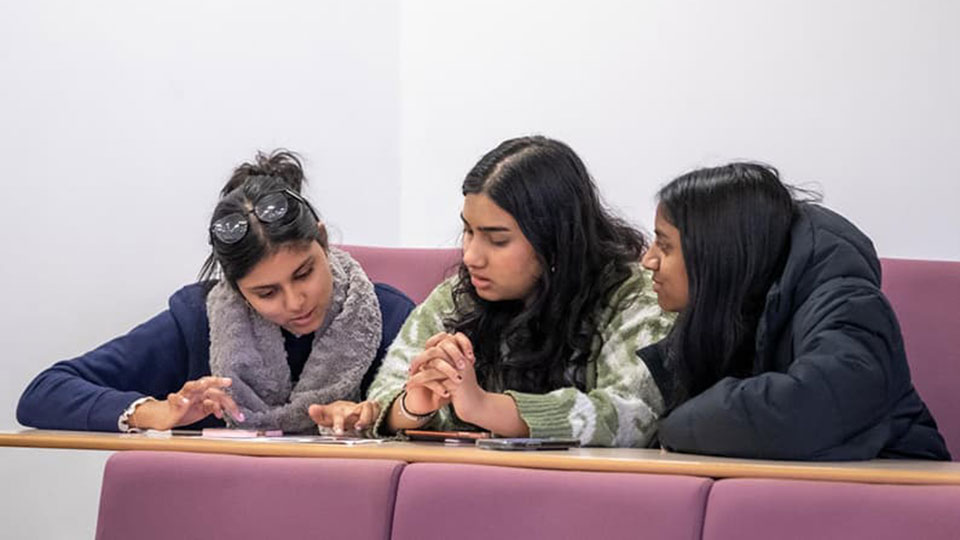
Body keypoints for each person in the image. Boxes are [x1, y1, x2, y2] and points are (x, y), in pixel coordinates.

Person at [309, 136, 674, 446]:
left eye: (497, 240)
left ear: (557, 241)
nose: (471, 256)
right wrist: (412, 407)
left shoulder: (634, 296)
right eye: (468, 231)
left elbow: (633, 415)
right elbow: (388, 391)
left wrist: (485, 408)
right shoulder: (459, 296)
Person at [17, 150, 414, 433]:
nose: (295, 302)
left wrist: (380, 416)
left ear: (323, 241)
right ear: (237, 289)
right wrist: (153, 412)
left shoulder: (388, 316)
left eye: (305, 273)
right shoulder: (198, 320)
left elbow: (448, 415)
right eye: (266, 293)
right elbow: (44, 392)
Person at [638, 162, 950, 460]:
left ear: (719, 254)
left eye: (665, 246)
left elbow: (813, 408)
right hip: (798, 497)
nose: (648, 261)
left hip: (898, 498)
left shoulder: (846, 303)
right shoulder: (727, 308)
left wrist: (678, 426)